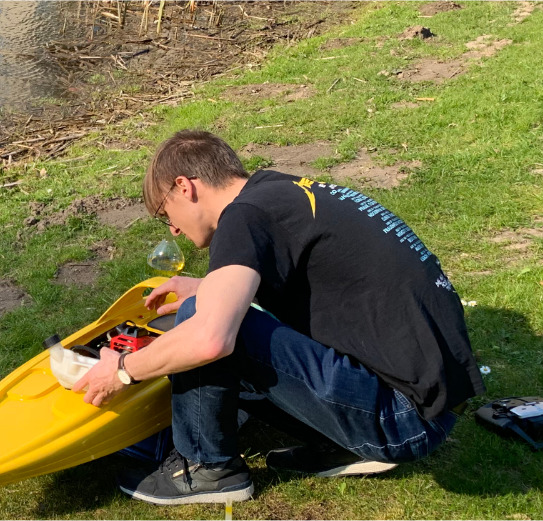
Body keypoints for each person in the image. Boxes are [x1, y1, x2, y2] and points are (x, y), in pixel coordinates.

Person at [72, 130, 485, 505]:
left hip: (402, 418)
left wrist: (123, 370)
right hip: (435, 402)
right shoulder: (278, 193)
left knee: (206, 321)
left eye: (165, 214)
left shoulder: (243, 217)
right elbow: (307, 276)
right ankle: (340, 441)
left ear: (185, 186)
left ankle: (206, 469)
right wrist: (208, 284)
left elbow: (210, 340)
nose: (173, 231)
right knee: (213, 307)